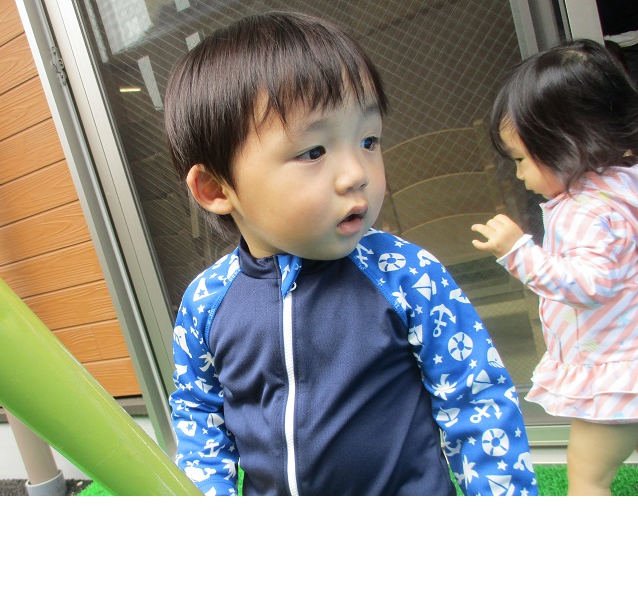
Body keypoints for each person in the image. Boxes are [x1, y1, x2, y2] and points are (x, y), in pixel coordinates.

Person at [164, 11, 538, 496]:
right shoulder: (206, 303)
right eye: (313, 152)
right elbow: (198, 412)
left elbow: (475, 397)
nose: (356, 174)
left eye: (368, 141)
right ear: (216, 188)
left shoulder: (406, 275)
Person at [471, 39, 638, 496]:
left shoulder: (586, 209)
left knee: (587, 477)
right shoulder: (624, 186)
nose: (519, 175)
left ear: (568, 143)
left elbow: (590, 285)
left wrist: (517, 252)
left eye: (522, 159)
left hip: (618, 374)